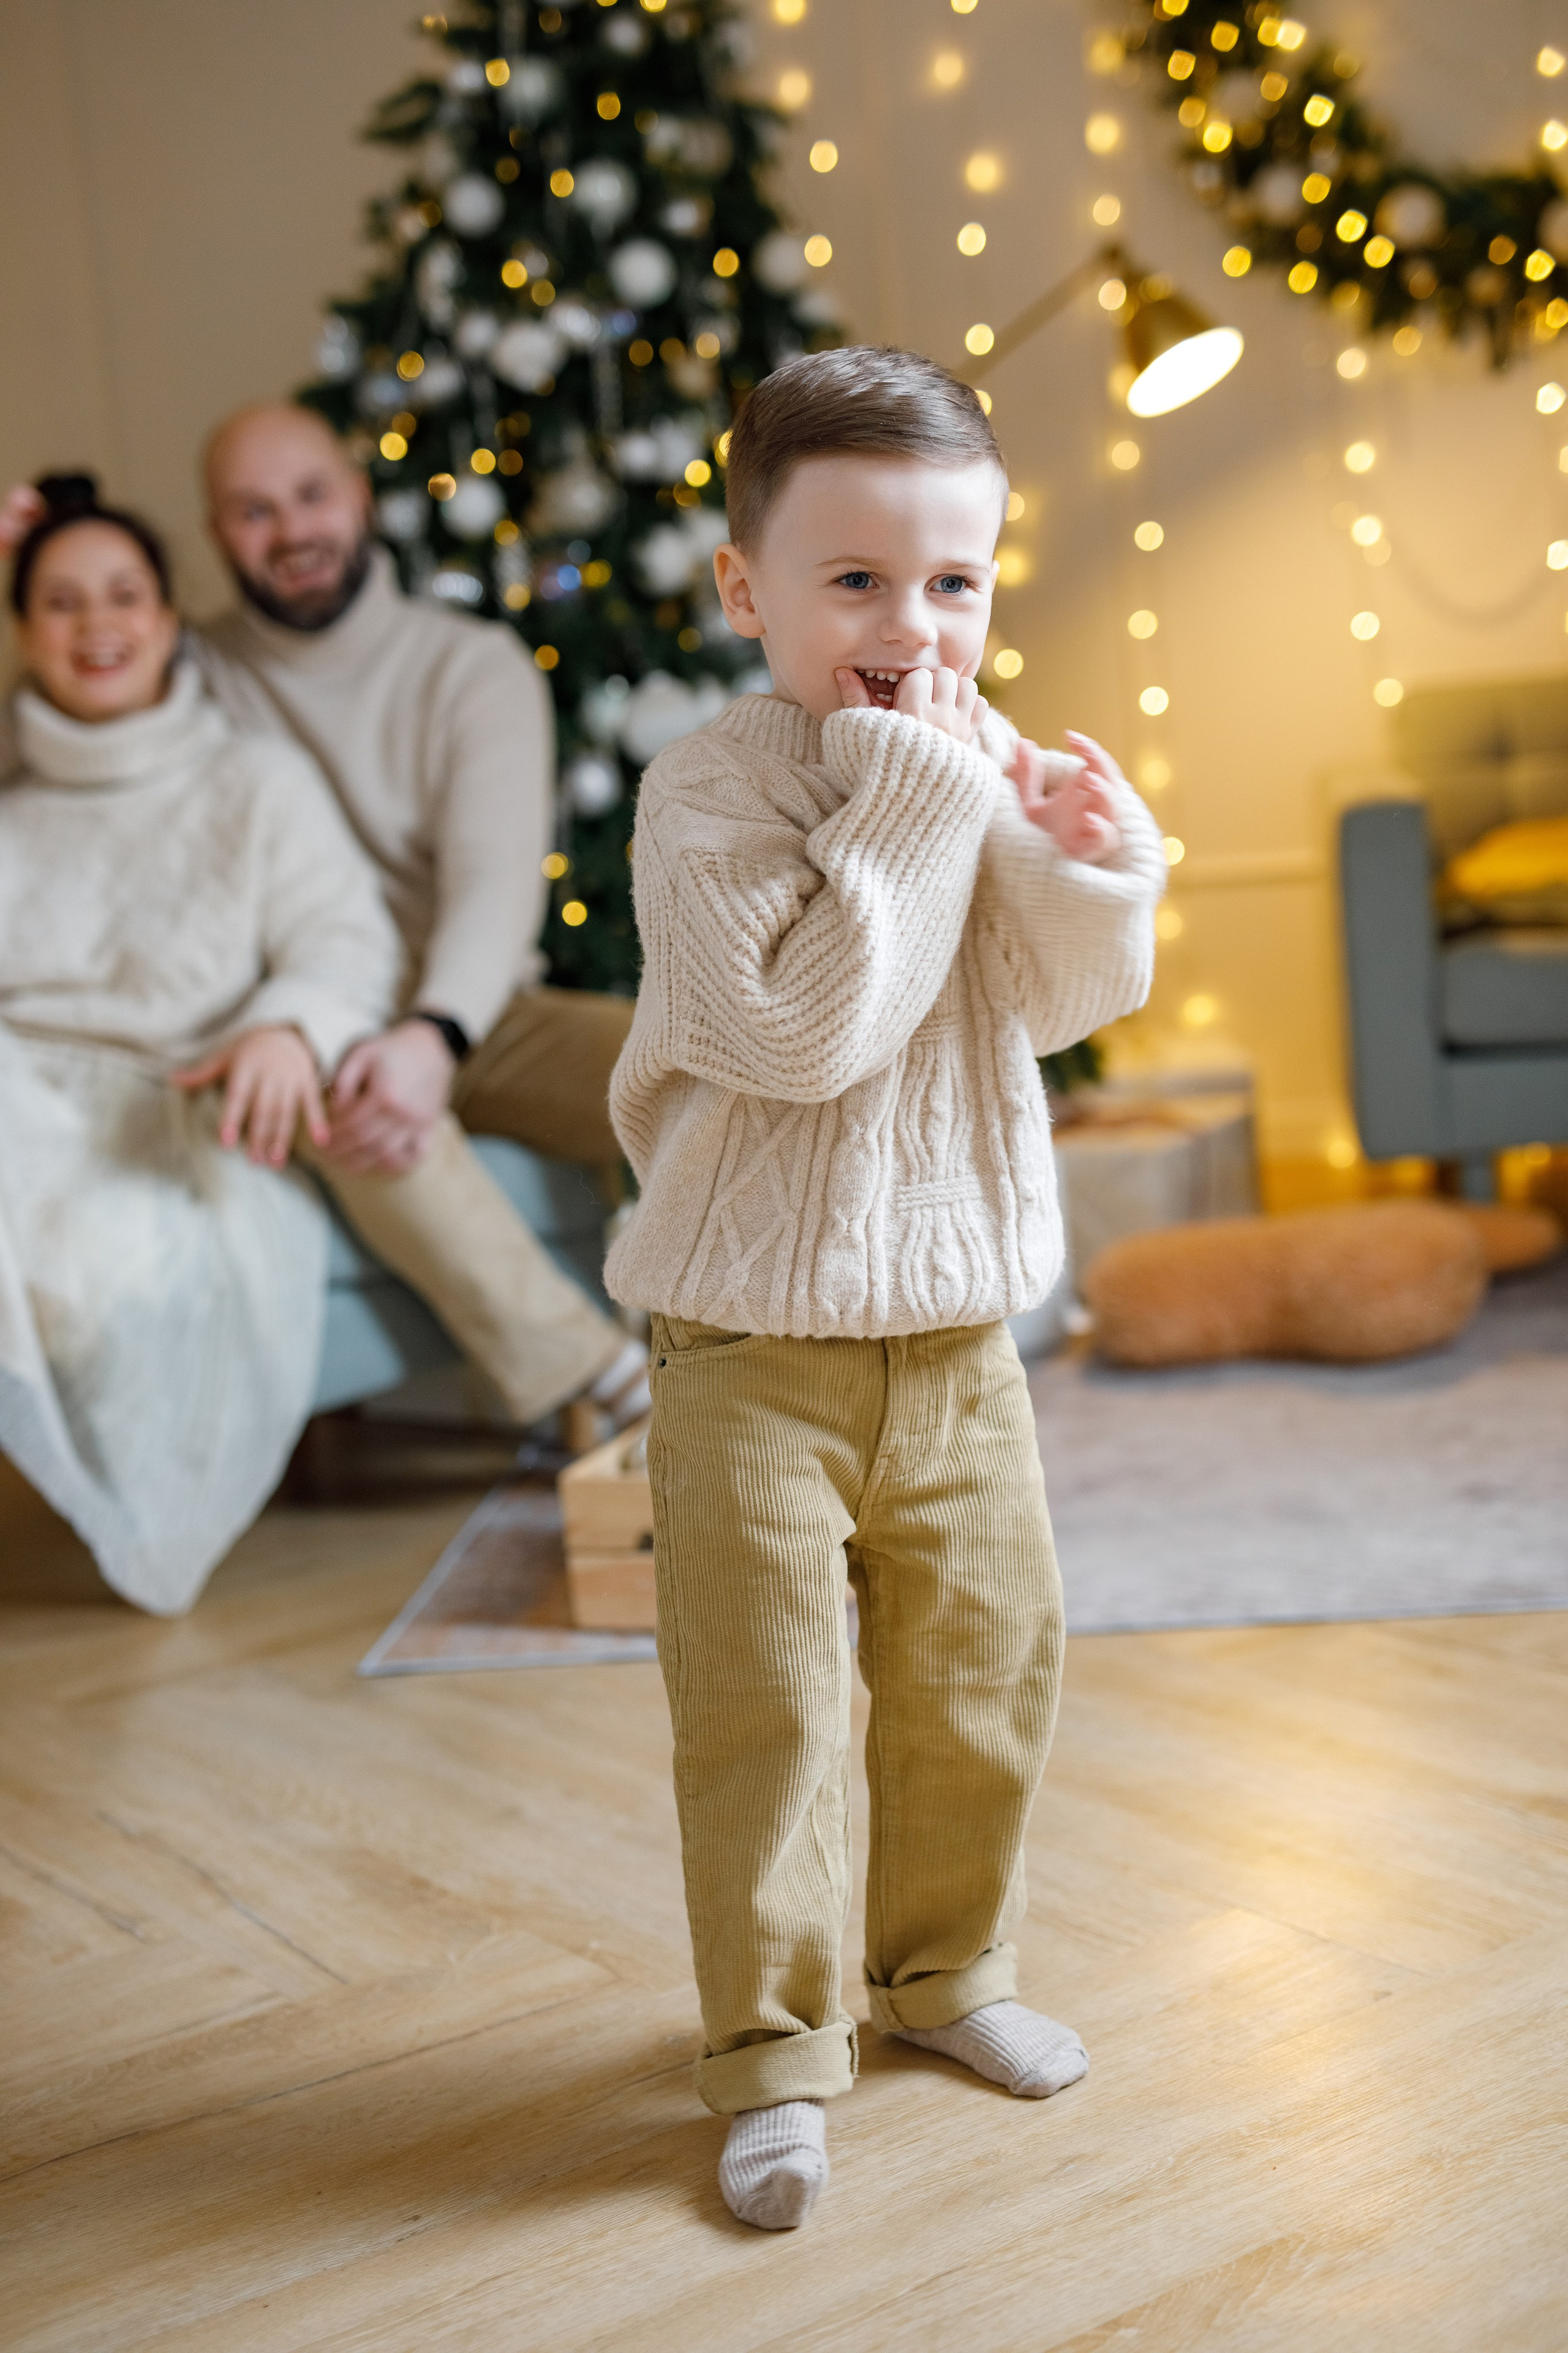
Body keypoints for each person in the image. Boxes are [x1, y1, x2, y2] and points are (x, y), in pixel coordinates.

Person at [603, 348, 1167, 2229]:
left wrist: (1100, 867)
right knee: (762, 1711)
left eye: (952, 584)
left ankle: (948, 1979)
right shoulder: (708, 793)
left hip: (954, 1336)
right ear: (745, 586)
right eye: (853, 581)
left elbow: (1060, 997)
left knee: (982, 1673)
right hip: (745, 1344)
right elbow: (795, 1027)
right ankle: (772, 2055)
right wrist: (930, 793)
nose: (908, 625)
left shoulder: (968, 750)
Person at [1, 411, 647, 1439]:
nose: (290, 530)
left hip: (467, 1008)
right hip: (300, 1011)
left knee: (685, 1066)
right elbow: (65, 708)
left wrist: (434, 1037)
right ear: (217, 535)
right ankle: (609, 1391)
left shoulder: (469, 667)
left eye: (310, 496)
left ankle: (811, 1338)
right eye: (253, 511)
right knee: (342, 1087)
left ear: (357, 496)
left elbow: (491, 890)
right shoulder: (188, 661)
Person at [0, 475, 399, 1611]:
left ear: (169, 620)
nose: (97, 626)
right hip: (18, 1097)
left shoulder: (254, 781)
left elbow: (343, 941)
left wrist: (287, 1025)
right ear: (26, 632)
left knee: (103, 1242)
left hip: (172, 1106)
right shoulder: (10, 814)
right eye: (62, 602)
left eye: (123, 595)